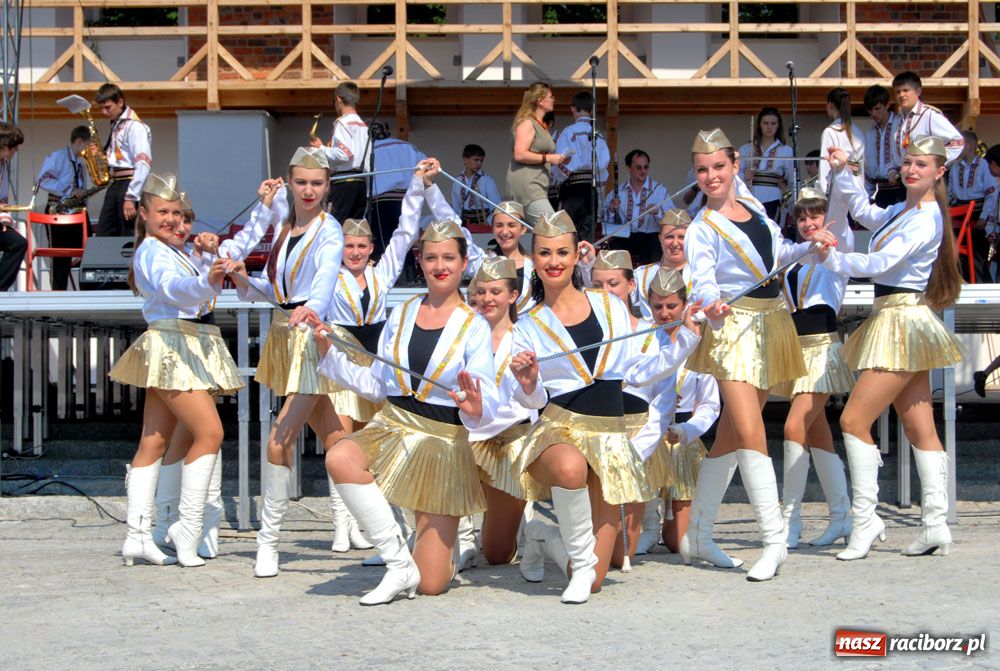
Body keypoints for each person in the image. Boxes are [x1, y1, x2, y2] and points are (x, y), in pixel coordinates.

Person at [315, 218, 499, 604]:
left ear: (464, 263)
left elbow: (485, 393)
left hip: (442, 441)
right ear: (420, 261)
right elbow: (376, 383)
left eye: (448, 258)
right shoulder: (400, 313)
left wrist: (476, 405)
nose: (439, 266)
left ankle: (441, 549)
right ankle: (398, 562)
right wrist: (328, 353)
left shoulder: (475, 326)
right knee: (340, 457)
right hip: (394, 426)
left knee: (431, 584)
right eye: (431, 258)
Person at [682, 128, 826, 582]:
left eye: (718, 167)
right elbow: (702, 279)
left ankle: (698, 534)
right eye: (702, 170)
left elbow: (780, 255)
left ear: (735, 165)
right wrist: (710, 303)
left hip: (771, 322)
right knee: (750, 431)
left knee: (729, 436)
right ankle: (774, 540)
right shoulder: (701, 228)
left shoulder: (758, 210)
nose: (711, 176)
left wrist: (812, 247)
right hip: (733, 328)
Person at [818, 136, 964, 560]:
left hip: (901, 321)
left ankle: (866, 521)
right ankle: (935, 525)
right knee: (921, 428)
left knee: (852, 419)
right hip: (900, 318)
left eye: (922, 164)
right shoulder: (903, 210)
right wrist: (844, 172)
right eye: (908, 162)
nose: (912, 169)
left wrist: (832, 258)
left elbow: (880, 263)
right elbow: (865, 213)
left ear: (939, 171)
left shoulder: (924, 219)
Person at [510, 211, 651, 604]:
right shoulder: (527, 324)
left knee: (593, 581)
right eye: (544, 253)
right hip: (559, 430)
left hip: (608, 437)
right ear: (534, 260)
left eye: (562, 252)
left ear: (576, 256)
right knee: (571, 466)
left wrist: (688, 336)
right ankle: (582, 564)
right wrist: (529, 383)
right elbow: (531, 401)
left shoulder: (610, 306)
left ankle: (541, 534)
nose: (553, 261)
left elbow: (639, 369)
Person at [110, 173, 242, 567]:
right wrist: (206, 279)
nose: (171, 219)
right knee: (210, 432)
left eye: (176, 213)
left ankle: (138, 536)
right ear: (144, 214)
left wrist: (206, 265)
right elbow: (172, 289)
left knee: (154, 441)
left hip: (179, 343)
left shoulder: (170, 249)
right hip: (172, 347)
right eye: (163, 212)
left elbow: (189, 288)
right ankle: (187, 527)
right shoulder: (152, 252)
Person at [228, 147, 345, 578]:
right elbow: (274, 288)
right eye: (301, 182)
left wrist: (313, 308)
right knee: (339, 441)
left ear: (327, 186)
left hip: (309, 337)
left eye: (316, 183)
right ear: (290, 183)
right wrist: (242, 277)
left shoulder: (330, 230)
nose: (309, 190)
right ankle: (388, 535)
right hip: (283, 333)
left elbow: (325, 278)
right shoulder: (283, 228)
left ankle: (268, 542)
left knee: (279, 438)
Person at [587, 252, 701, 566]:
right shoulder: (585, 332)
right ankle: (545, 539)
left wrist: (636, 451)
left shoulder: (654, 333)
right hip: (594, 435)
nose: (605, 292)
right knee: (590, 546)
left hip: (637, 438)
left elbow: (662, 403)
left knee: (621, 552)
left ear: (630, 285)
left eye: (613, 283)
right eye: (597, 284)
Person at [771, 188, 856, 550]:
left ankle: (791, 520)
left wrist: (841, 172)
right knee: (817, 434)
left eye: (815, 216)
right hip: (796, 351)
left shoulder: (837, 249)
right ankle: (842, 516)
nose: (808, 223)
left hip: (822, 350)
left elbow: (844, 210)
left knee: (793, 427)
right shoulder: (793, 255)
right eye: (802, 218)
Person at [150, 193, 228, 560]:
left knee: (189, 434)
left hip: (203, 342)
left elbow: (206, 284)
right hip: (179, 343)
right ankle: (181, 523)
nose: (181, 227)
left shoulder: (188, 254)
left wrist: (208, 254)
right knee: (204, 433)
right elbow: (185, 290)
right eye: (175, 220)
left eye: (186, 220)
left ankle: (189, 524)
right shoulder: (162, 256)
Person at [632, 269, 719, 556]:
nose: (665, 313)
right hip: (647, 433)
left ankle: (674, 527)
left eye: (672, 306)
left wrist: (687, 430)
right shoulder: (642, 339)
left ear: (684, 304)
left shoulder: (699, 342)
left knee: (677, 542)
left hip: (681, 441)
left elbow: (710, 404)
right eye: (657, 306)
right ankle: (649, 527)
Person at [467, 257, 540, 564]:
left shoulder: (529, 335)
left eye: (496, 292)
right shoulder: (463, 333)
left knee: (497, 554)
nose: (487, 299)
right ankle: (459, 536)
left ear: (513, 295)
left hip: (509, 442)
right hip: (466, 440)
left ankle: (539, 536)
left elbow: (534, 400)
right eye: (481, 292)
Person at [36, 126, 91, 290]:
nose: (89, 150)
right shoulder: (58, 156)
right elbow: (42, 180)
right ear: (79, 142)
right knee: (60, 254)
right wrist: (69, 190)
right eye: (88, 145)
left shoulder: (80, 163)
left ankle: (89, 289)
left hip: (77, 211)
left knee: (90, 248)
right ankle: (58, 291)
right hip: (58, 209)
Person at [506, 82, 566, 227]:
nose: (553, 100)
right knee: (554, 229)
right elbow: (519, 154)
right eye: (551, 97)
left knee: (541, 233)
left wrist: (556, 160)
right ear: (540, 101)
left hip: (536, 186)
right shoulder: (528, 123)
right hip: (529, 187)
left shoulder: (540, 125)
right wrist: (549, 158)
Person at [95, 83, 152, 236]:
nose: (104, 112)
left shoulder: (134, 126)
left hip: (128, 183)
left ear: (120, 102)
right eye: (101, 108)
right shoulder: (117, 125)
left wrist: (131, 196)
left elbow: (143, 163)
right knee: (104, 233)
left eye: (108, 107)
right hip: (116, 184)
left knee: (127, 234)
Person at [554, 91, 611, 242]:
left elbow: (561, 161)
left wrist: (559, 178)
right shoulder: (599, 135)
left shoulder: (568, 132)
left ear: (572, 108)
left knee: (568, 234)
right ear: (592, 110)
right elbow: (604, 164)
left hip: (573, 189)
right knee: (587, 236)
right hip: (591, 189)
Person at [312, 81, 370, 222]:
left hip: (344, 181)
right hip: (361, 181)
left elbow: (345, 154)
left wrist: (321, 148)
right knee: (354, 227)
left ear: (338, 100)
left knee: (335, 224)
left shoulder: (343, 122)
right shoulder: (363, 125)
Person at [369, 121, 427, 261]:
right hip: (405, 200)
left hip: (381, 202)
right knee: (405, 241)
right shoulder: (406, 146)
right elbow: (426, 165)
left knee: (383, 244)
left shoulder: (369, 151)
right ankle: (408, 271)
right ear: (387, 130)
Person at [604, 150, 673, 264]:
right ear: (629, 168)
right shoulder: (617, 192)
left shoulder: (659, 190)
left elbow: (671, 219)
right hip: (626, 237)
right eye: (638, 167)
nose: (643, 171)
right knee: (613, 250)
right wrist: (611, 209)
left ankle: (650, 275)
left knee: (656, 249)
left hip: (651, 237)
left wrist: (658, 212)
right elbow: (606, 224)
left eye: (646, 167)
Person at [819, 87, 866, 252]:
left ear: (830, 105)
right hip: (854, 184)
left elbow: (825, 164)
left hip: (836, 185)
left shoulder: (830, 132)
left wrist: (823, 192)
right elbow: (860, 166)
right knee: (849, 229)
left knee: (834, 229)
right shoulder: (857, 131)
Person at [948, 130, 996, 282]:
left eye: (959, 144)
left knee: (977, 253)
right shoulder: (955, 167)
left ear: (968, 145)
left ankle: (980, 284)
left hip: (977, 212)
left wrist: (984, 216)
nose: (956, 148)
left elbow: (991, 193)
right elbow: (950, 193)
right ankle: (960, 282)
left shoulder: (983, 165)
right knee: (955, 251)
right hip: (958, 212)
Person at [891, 71, 964, 172]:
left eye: (906, 90)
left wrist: (934, 166)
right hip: (904, 177)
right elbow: (894, 153)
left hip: (926, 177)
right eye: (898, 92)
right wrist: (892, 170)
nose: (901, 95)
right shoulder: (897, 120)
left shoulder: (930, 115)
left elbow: (957, 142)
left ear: (918, 91)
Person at [632, 209, 692, 320]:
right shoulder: (642, 274)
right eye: (669, 237)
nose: (675, 243)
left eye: (681, 237)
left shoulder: (702, 274)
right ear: (660, 239)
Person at [738, 107, 794, 220]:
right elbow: (734, 175)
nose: (769, 127)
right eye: (765, 123)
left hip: (773, 199)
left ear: (778, 125)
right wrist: (744, 176)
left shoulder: (786, 151)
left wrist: (791, 202)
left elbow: (791, 178)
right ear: (759, 125)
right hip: (749, 199)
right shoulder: (745, 149)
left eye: (773, 123)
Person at [863, 85, 904, 207]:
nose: (873, 113)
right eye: (870, 110)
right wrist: (867, 197)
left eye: (877, 108)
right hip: (881, 191)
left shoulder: (900, 126)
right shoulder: (870, 133)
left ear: (887, 105)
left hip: (901, 189)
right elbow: (868, 167)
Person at [0, 122, 26, 292]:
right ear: (4, 146)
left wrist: (5, 218)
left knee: (18, 243)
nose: (16, 150)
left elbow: (2, 198)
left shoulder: (4, 165)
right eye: (14, 147)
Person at [451, 144, 502, 230]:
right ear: (465, 160)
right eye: (476, 160)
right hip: (464, 226)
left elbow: (496, 208)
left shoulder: (487, 181)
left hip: (484, 224)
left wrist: (488, 223)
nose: (479, 163)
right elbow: (456, 208)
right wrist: (457, 226)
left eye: (481, 161)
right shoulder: (457, 181)